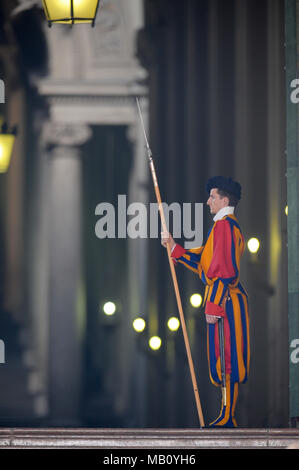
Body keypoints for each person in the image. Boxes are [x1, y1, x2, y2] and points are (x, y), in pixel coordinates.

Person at [161, 176, 250, 428]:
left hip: (225, 301)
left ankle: (227, 415)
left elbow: (225, 270)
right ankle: (226, 413)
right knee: (222, 356)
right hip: (223, 299)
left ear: (224, 200)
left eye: (212, 196)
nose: (207, 201)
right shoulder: (221, 227)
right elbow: (204, 262)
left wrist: (214, 304)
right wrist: (174, 247)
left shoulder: (225, 227)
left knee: (227, 357)